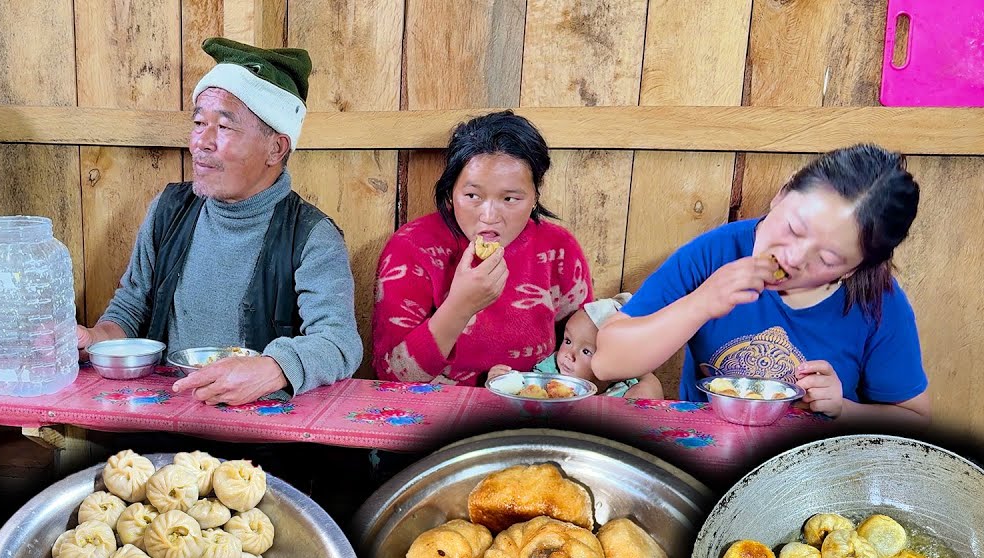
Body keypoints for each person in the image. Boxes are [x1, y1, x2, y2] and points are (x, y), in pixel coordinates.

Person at [78, 38, 362, 406]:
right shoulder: (169, 210)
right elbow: (130, 310)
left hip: (261, 436)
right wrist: (94, 339)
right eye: (198, 122)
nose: (202, 142)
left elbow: (338, 341)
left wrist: (274, 367)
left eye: (224, 128)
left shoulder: (310, 236)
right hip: (165, 418)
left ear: (276, 148)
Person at [593, 144, 929, 425]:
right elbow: (608, 362)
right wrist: (701, 304)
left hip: (814, 469)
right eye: (795, 228)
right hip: (705, 450)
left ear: (853, 270)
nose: (794, 257)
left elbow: (915, 419)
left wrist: (843, 408)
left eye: (827, 260)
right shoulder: (715, 253)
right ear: (781, 195)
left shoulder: (879, 303)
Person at [371, 111, 593, 385]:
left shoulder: (559, 249)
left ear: (535, 196)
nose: (489, 216)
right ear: (451, 191)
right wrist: (460, 307)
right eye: (472, 196)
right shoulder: (410, 248)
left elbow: (586, 354)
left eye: (510, 198)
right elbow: (390, 376)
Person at [486, 293, 663, 399]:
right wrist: (502, 382)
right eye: (568, 341)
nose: (568, 355)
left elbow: (651, 394)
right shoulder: (549, 374)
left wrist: (646, 392)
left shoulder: (624, 387)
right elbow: (523, 394)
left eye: (586, 351)